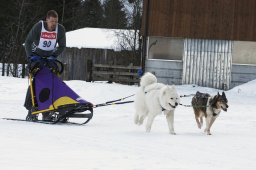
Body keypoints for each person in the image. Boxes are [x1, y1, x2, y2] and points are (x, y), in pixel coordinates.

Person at [24, 10, 66, 121]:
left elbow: (62, 46)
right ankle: (32, 109)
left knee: (53, 81)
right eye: (52, 21)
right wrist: (30, 57)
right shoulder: (39, 26)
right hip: (36, 57)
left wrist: (54, 55)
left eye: (56, 21)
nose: (54, 24)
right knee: (37, 82)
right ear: (46, 20)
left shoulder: (60, 29)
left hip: (49, 59)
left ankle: (49, 109)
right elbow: (27, 42)